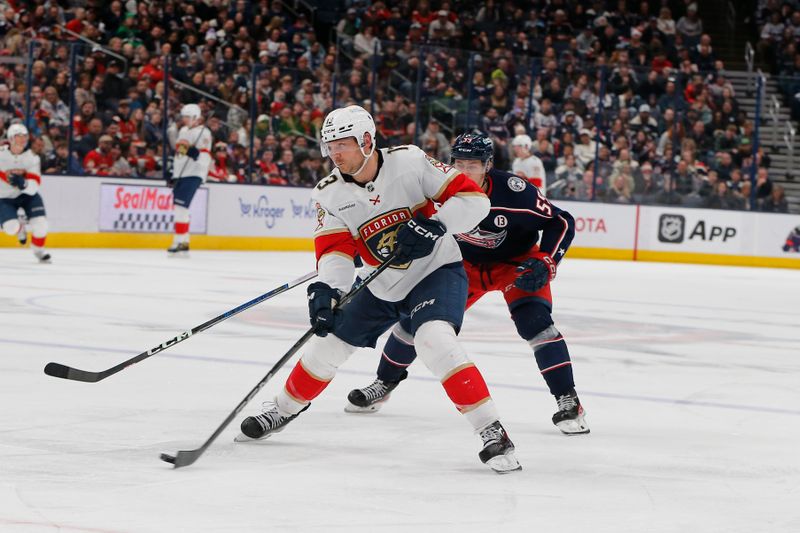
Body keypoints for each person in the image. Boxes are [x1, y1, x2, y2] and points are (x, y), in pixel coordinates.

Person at [236, 106, 521, 473]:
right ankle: (283, 409)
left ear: (367, 141)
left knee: (434, 339)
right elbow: (335, 252)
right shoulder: (328, 194)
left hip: (436, 272)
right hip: (380, 282)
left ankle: (492, 431)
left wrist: (435, 226)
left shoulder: (410, 162)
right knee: (327, 346)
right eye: (329, 146)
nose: (335, 154)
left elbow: (473, 200)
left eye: (343, 144)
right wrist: (328, 290)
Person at [345, 131, 589, 436]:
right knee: (415, 321)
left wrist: (548, 261)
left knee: (536, 324)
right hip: (462, 266)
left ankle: (568, 400)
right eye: (458, 163)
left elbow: (561, 220)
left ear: (488, 165)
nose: (464, 171)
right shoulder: (438, 188)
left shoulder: (515, 192)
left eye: (472, 164)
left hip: (516, 265)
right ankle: (384, 383)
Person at [0, 124, 51, 263]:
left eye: (25, 136)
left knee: (41, 225)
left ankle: (39, 250)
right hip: (4, 197)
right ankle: (20, 228)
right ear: (10, 138)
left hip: (28, 196)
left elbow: (34, 186)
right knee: (11, 228)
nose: (22, 139)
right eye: (18, 136)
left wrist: (24, 184)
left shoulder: (32, 158)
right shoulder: (0, 154)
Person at [168, 104, 211, 254]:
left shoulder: (204, 132)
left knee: (180, 207)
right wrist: (173, 172)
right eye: (183, 117)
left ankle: (177, 241)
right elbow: (180, 149)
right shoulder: (184, 130)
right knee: (181, 208)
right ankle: (185, 240)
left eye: (187, 117)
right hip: (181, 172)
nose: (184, 120)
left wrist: (192, 151)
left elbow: (201, 154)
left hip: (194, 173)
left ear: (195, 117)